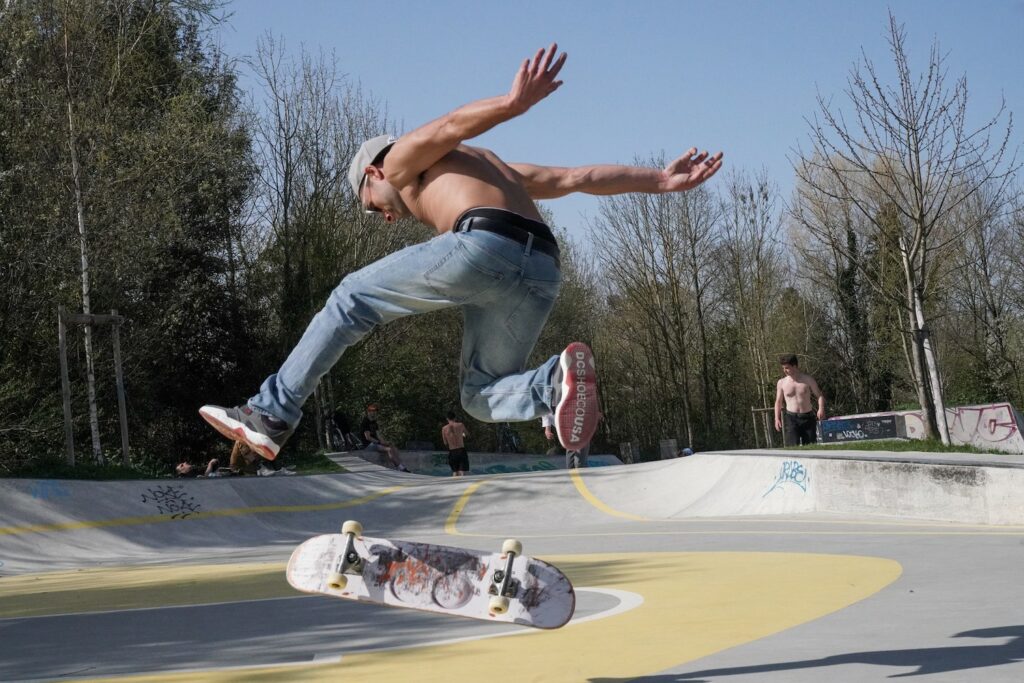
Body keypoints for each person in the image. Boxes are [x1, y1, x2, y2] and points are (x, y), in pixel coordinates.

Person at [198, 44, 723, 462]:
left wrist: (510, 104)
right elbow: (574, 178)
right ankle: (554, 380)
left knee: (350, 297)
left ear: (374, 174)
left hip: (485, 245)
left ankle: (269, 414)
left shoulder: (400, 162)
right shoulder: (494, 167)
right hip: (541, 267)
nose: (383, 215)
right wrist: (658, 180)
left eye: (369, 204)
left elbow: (450, 124)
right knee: (479, 395)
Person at [774, 354, 826, 446]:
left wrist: (821, 408)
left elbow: (819, 395)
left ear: (794, 366)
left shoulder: (808, 380)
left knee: (811, 447)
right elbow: (778, 401)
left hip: (808, 417)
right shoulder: (781, 383)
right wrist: (777, 418)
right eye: (783, 368)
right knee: (793, 447)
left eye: (787, 368)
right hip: (791, 418)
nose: (784, 371)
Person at [359, 404, 409, 472]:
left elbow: (379, 435)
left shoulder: (374, 422)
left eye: (375, 411)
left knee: (392, 446)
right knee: (388, 449)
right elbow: (368, 437)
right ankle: (400, 468)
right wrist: (379, 442)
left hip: (375, 443)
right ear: (368, 412)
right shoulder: (365, 422)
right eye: (372, 411)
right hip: (368, 445)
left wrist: (385, 442)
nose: (374, 412)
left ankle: (401, 465)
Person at [441, 410, 470, 476]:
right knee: (462, 472)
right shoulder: (460, 425)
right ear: (455, 418)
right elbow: (467, 434)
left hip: (452, 451)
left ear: (447, 419)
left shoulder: (444, 428)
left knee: (455, 472)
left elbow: (445, 442)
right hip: (461, 450)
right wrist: (462, 434)